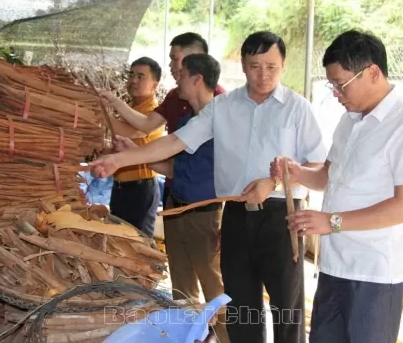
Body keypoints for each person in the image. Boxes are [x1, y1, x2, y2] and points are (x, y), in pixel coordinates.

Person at [89, 31, 328, 343]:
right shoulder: (223, 107)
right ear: (243, 65)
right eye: (255, 66)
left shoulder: (298, 108)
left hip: (283, 217)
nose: (263, 75)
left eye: (272, 66)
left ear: (283, 65)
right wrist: (123, 159)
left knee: (287, 307)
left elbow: (319, 168)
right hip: (236, 214)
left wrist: (273, 182)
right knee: (241, 305)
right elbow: (174, 142)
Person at [270, 29, 403, 343]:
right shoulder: (349, 121)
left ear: (372, 72)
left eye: (340, 84)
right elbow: (329, 175)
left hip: (376, 274)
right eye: (331, 84)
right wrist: (295, 171)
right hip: (336, 265)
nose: (335, 92)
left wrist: (331, 222)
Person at [114, 53, 229, 343]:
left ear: (197, 79)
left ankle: (227, 337)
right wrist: (132, 151)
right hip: (177, 209)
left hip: (206, 215)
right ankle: (188, 336)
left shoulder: (225, 118)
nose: (176, 78)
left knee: (215, 290)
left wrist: (130, 155)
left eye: (181, 72)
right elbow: (173, 167)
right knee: (182, 290)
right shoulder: (189, 119)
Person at [101, 32, 226, 207]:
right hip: (173, 186)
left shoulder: (219, 104)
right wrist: (114, 103)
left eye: (175, 59)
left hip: (201, 201)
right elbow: (147, 125)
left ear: (196, 59)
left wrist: (120, 158)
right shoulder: (175, 96)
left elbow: (172, 141)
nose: (170, 65)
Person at [108, 56, 165, 238]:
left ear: (154, 85)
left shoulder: (154, 113)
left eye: (141, 77)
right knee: (118, 241)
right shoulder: (129, 109)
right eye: (131, 75)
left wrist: (99, 113)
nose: (133, 80)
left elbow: (130, 131)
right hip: (120, 187)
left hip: (140, 190)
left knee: (139, 245)